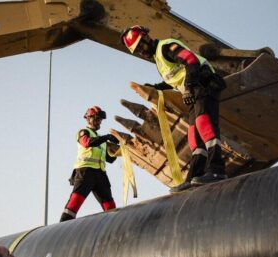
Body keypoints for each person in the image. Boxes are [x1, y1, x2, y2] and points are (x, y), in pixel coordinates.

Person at [121, 25, 227, 192]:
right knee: (193, 134)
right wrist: (156, 87)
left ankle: (216, 170)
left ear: (147, 37)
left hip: (204, 84)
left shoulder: (166, 47)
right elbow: (174, 78)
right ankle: (194, 177)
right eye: (137, 50)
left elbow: (190, 60)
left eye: (141, 44)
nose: (141, 50)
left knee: (203, 123)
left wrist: (190, 85)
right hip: (192, 91)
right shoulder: (159, 59)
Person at [60, 106, 119, 222]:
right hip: (85, 173)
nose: (99, 122)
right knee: (74, 202)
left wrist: (119, 150)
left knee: (110, 206)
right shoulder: (84, 132)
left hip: (100, 175)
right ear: (88, 119)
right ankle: (62, 227)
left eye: (100, 120)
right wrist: (106, 137)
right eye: (97, 119)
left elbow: (110, 159)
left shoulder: (101, 141)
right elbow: (86, 143)